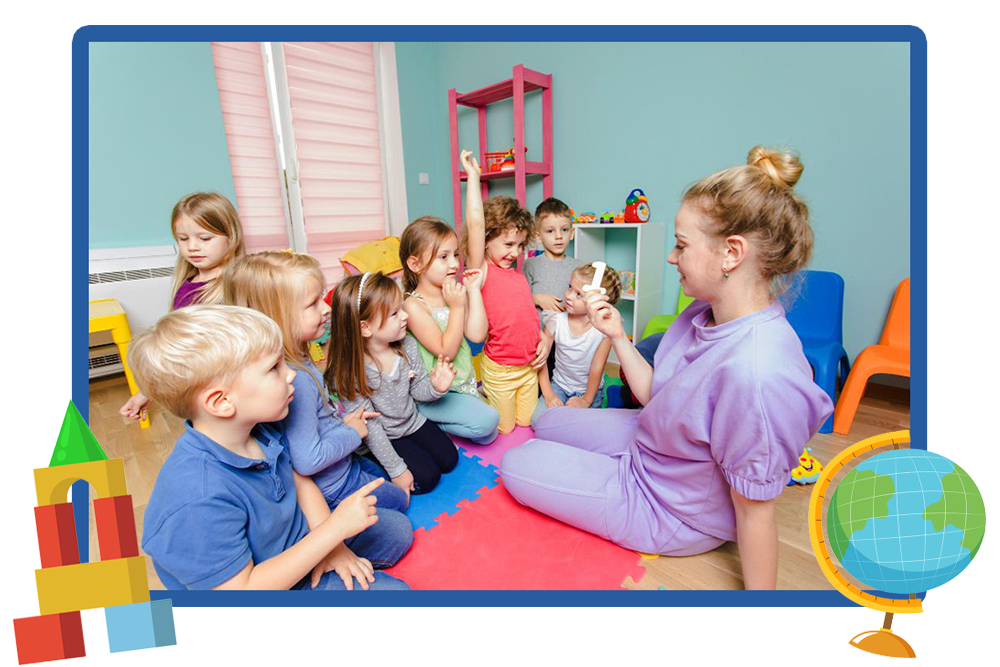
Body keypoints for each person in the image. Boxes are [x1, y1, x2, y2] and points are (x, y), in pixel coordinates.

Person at [500, 146, 834, 590]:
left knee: (518, 462)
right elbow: (660, 392)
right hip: (650, 442)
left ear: (731, 253)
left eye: (681, 246)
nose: (672, 258)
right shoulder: (702, 310)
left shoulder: (758, 372)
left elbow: (756, 512)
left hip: (668, 504)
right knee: (553, 420)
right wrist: (618, 336)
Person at [131, 304, 409, 590]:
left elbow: (300, 482)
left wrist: (334, 545)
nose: (291, 375)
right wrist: (333, 532)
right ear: (222, 402)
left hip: (300, 540)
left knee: (397, 532)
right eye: (274, 368)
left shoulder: (260, 429)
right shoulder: (196, 498)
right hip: (265, 587)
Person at [222, 251, 413, 579]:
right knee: (400, 519)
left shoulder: (297, 360)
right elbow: (306, 461)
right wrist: (352, 433)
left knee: (386, 481)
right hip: (332, 484)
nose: (326, 309)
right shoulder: (293, 381)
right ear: (277, 315)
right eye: (313, 304)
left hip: (339, 466)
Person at [327, 272, 459, 496]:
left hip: (412, 421)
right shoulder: (351, 372)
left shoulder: (406, 344)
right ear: (365, 328)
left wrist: (436, 388)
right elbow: (372, 428)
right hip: (382, 435)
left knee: (450, 460)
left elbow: (418, 390)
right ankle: (367, 460)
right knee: (427, 479)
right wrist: (397, 470)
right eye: (395, 313)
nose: (406, 316)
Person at [119, 192, 246, 423]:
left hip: (231, 396)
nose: (193, 247)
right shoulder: (185, 286)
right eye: (183, 239)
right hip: (199, 396)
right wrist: (146, 393)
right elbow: (178, 350)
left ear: (232, 236)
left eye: (205, 238)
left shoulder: (236, 286)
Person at [460, 150, 551, 434]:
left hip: (528, 368)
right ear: (487, 241)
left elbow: (524, 315)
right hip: (500, 371)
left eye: (520, 245)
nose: (515, 253)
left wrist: (544, 339)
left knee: (526, 422)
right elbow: (476, 223)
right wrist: (473, 178)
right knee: (504, 429)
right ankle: (482, 392)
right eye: (508, 244)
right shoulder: (481, 270)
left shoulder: (517, 276)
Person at [400, 216, 499, 444]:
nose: (454, 264)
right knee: (488, 422)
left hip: (462, 383)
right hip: (434, 393)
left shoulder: (454, 292)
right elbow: (446, 351)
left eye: (455, 255)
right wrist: (456, 306)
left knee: (488, 434)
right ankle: (425, 419)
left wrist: (472, 292)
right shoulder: (413, 306)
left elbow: (476, 335)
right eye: (443, 257)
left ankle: (443, 420)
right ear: (415, 265)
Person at [531, 262, 621, 427]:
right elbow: (541, 357)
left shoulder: (603, 330)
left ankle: (613, 395)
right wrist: (549, 394)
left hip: (589, 392)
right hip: (559, 385)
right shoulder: (555, 320)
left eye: (579, 294)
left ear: (596, 300)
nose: (569, 295)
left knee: (582, 429)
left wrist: (586, 400)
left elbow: (597, 367)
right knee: (537, 422)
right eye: (570, 287)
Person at [523, 197, 584, 327]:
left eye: (564, 230)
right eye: (550, 231)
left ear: (572, 233)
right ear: (538, 237)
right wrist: (537, 299)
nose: (559, 236)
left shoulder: (579, 267)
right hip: (537, 336)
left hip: (568, 336)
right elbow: (519, 300)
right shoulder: (530, 265)